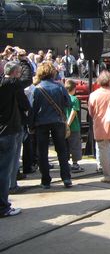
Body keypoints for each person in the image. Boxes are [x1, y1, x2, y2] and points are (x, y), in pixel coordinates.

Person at [31, 61, 72, 189]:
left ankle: (46, 180)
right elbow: (68, 103)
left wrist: (30, 124)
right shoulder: (60, 87)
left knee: (42, 152)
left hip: (41, 123)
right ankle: (66, 178)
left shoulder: (37, 89)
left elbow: (33, 109)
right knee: (61, 150)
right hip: (58, 121)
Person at [0, 61, 31, 217]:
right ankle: (3, 206)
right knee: (5, 170)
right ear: (14, 73)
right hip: (8, 131)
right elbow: (27, 79)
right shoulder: (8, 84)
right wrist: (24, 60)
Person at [64, 79, 84, 173]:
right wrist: (69, 123)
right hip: (74, 126)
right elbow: (74, 111)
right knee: (75, 145)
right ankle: (75, 164)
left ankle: (65, 163)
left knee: (65, 145)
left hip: (62, 126)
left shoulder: (62, 98)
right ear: (74, 89)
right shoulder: (75, 99)